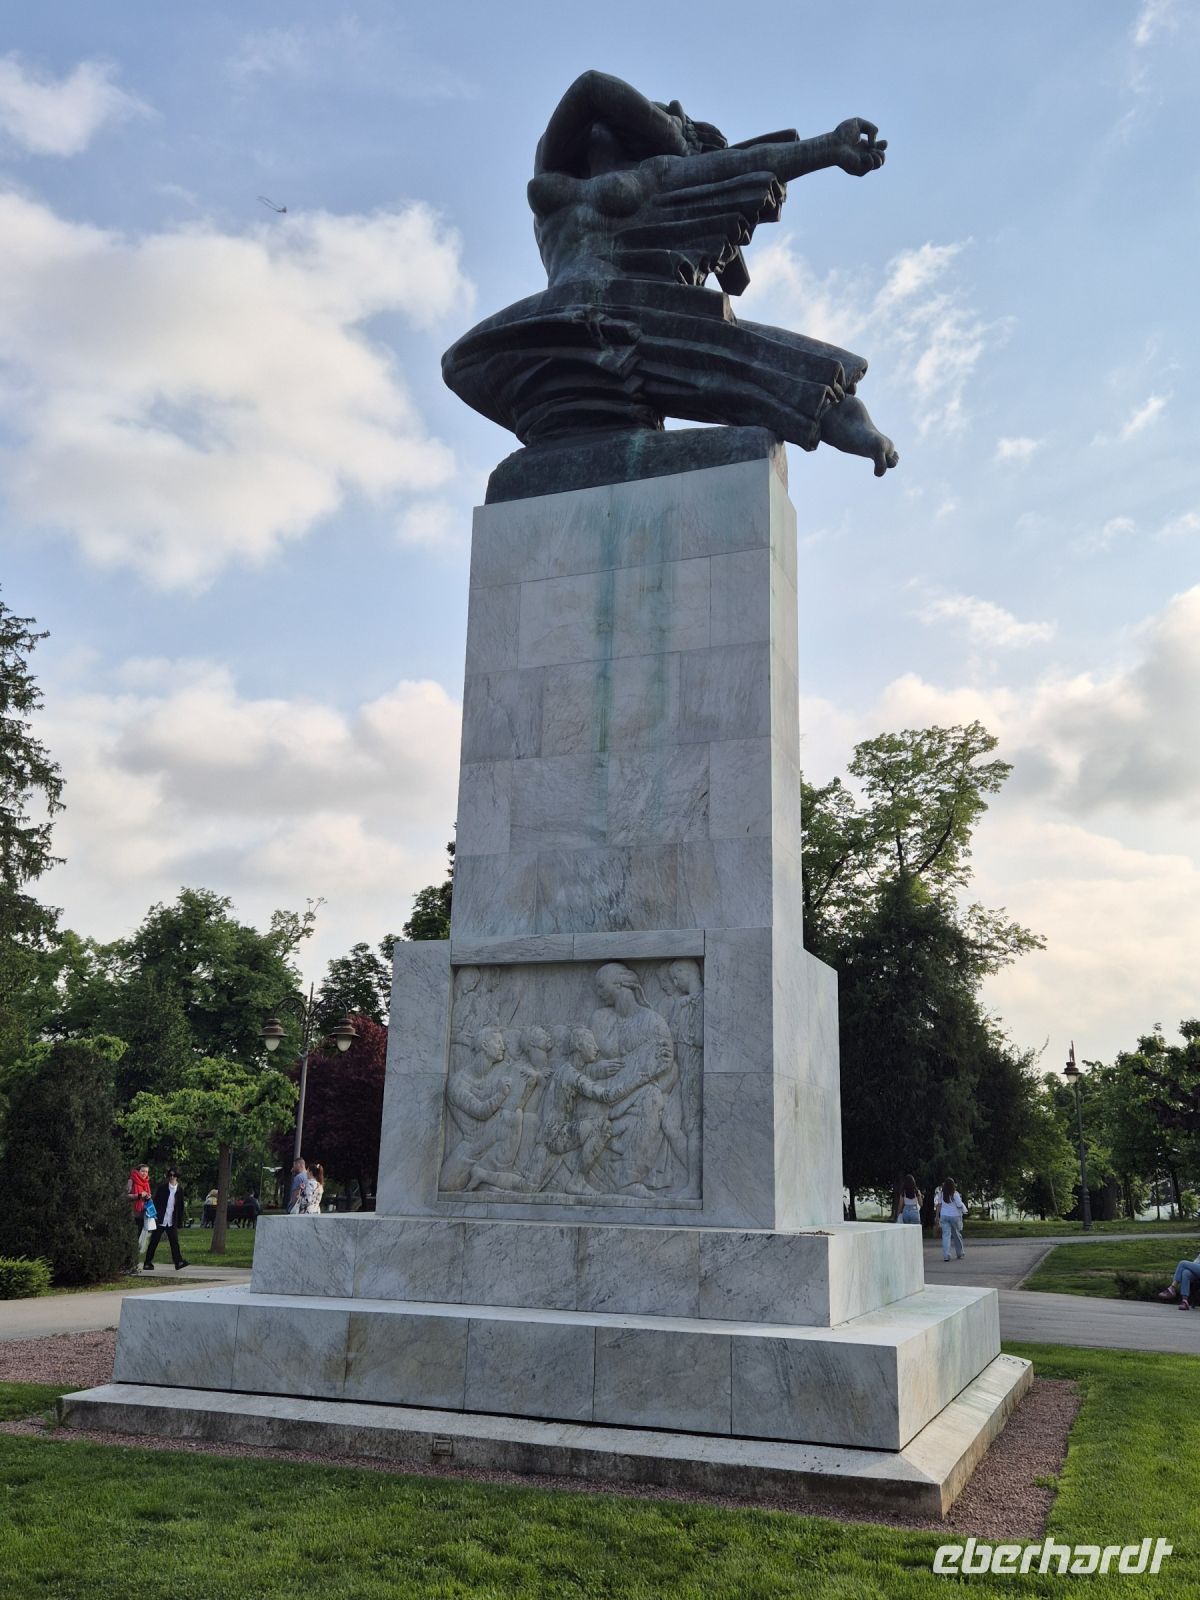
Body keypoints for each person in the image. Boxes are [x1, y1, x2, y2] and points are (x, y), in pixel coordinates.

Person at [443, 71, 899, 476]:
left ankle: (852, 425)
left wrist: (827, 147)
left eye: (666, 115)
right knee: (460, 363)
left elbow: (747, 164)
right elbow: (590, 90)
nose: (661, 113)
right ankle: (599, 420)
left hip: (628, 311)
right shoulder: (555, 166)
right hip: (556, 319)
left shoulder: (659, 175)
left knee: (747, 361)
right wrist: (680, 138)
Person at [143, 1168, 188, 1271]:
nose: (172, 1177)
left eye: (174, 1175)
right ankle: (147, 1263)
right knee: (154, 1241)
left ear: (177, 1177)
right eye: (170, 1175)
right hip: (160, 1219)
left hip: (171, 1221)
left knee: (174, 1242)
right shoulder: (163, 1188)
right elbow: (156, 1202)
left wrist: (179, 1222)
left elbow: (180, 1207)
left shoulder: (179, 1190)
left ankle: (178, 1262)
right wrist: (154, 1216)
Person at [934, 1179, 967, 1261]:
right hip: (954, 1216)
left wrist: (937, 1216)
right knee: (956, 1234)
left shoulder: (941, 1193)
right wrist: (963, 1208)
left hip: (944, 1216)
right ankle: (960, 1253)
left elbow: (939, 1205)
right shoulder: (955, 1194)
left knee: (946, 1235)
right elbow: (959, 1204)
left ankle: (946, 1255)